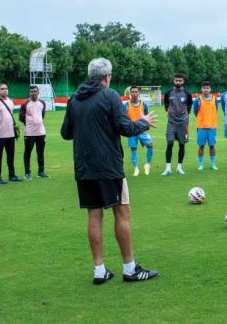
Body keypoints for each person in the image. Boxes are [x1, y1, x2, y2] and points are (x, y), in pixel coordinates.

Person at [60, 58, 159, 284]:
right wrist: (143, 121)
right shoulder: (110, 95)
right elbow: (126, 127)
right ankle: (129, 268)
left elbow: (66, 133)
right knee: (122, 213)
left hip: (84, 168)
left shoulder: (74, 98)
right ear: (107, 77)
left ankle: (99, 270)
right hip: (108, 167)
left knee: (94, 215)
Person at [0, 83, 22, 183]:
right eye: (2, 89)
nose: (5, 90)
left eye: (6, 88)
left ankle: (12, 175)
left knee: (11, 156)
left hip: (11, 134)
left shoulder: (11, 101)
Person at [162, 74, 192, 176]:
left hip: (183, 123)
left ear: (183, 81)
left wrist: (183, 116)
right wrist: (170, 113)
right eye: (176, 80)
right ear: (173, 81)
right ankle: (168, 168)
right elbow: (166, 104)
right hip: (171, 123)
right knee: (169, 143)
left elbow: (189, 107)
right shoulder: (168, 93)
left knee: (182, 144)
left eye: (180, 80)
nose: (178, 82)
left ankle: (179, 167)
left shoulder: (187, 93)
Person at [20, 85, 49, 180]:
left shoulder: (42, 103)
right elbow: (21, 117)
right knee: (27, 153)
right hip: (29, 133)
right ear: (29, 93)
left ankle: (41, 172)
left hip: (41, 132)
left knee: (40, 153)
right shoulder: (25, 104)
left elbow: (43, 115)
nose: (33, 93)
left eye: (35, 91)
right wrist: (29, 124)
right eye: (32, 91)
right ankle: (27, 173)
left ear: (38, 92)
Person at [124, 86, 154, 176]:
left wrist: (146, 129)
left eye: (136, 92)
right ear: (130, 93)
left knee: (150, 146)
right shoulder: (126, 105)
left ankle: (147, 165)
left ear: (138, 93)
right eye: (132, 92)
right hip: (132, 131)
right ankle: (136, 168)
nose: (134, 93)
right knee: (133, 149)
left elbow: (147, 118)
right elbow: (124, 118)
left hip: (142, 131)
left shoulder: (143, 104)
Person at [193, 81, 219, 171]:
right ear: (201, 89)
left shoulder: (215, 99)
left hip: (212, 127)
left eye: (207, 88)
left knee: (212, 146)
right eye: (204, 88)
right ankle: (201, 165)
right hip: (201, 127)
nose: (206, 89)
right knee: (201, 146)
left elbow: (216, 110)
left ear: (210, 89)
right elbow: (195, 112)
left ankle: (213, 164)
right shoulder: (198, 100)